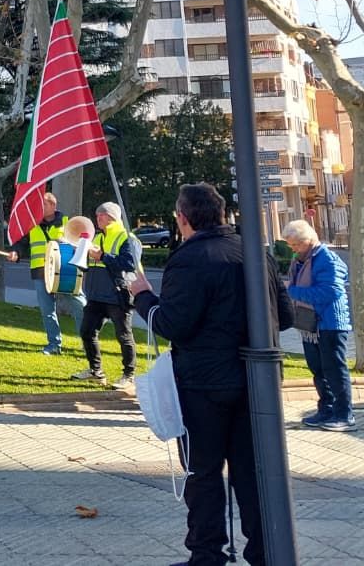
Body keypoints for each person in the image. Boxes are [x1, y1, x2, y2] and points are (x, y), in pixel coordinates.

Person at [128, 182, 294, 566]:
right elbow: (283, 316)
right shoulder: (257, 254)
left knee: (202, 473)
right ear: (220, 214)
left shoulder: (189, 259)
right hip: (256, 382)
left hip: (205, 385)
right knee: (252, 474)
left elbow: (173, 323)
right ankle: (265, 552)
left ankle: (207, 554)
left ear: (183, 219)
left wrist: (143, 295)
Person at [282, 219, 354, 430]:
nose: (293, 249)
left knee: (334, 369)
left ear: (309, 240)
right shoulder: (300, 260)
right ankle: (327, 409)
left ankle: (344, 415)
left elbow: (331, 292)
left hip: (330, 323)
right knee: (319, 370)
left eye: (296, 245)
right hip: (310, 326)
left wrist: (292, 291)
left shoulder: (327, 260)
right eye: (291, 245)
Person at [70, 204, 138, 389]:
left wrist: (102, 256)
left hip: (117, 295)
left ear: (112, 217)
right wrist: (80, 254)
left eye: (101, 215)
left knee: (124, 336)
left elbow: (130, 263)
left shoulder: (127, 237)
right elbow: (85, 266)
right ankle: (95, 371)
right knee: (87, 332)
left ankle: (129, 375)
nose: (97, 218)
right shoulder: (97, 237)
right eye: (97, 215)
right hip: (96, 296)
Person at [7, 191, 81, 355]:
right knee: (48, 311)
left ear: (53, 205)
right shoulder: (32, 224)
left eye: (43, 205)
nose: (39, 208)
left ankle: (88, 341)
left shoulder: (67, 222)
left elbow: (80, 242)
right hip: (40, 272)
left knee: (79, 306)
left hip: (65, 272)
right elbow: (21, 243)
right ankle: (54, 345)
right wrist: (15, 252)